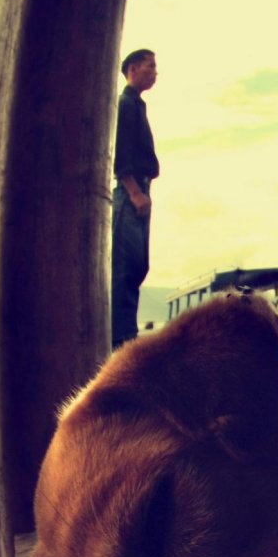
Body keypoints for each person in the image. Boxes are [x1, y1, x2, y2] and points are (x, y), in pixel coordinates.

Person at [111, 48, 160, 347]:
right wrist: (133, 191)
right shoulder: (126, 104)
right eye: (150, 66)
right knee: (126, 266)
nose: (155, 72)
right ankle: (121, 337)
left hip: (141, 189)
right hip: (131, 191)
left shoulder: (137, 105)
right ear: (133, 69)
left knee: (139, 265)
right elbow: (121, 154)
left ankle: (126, 332)